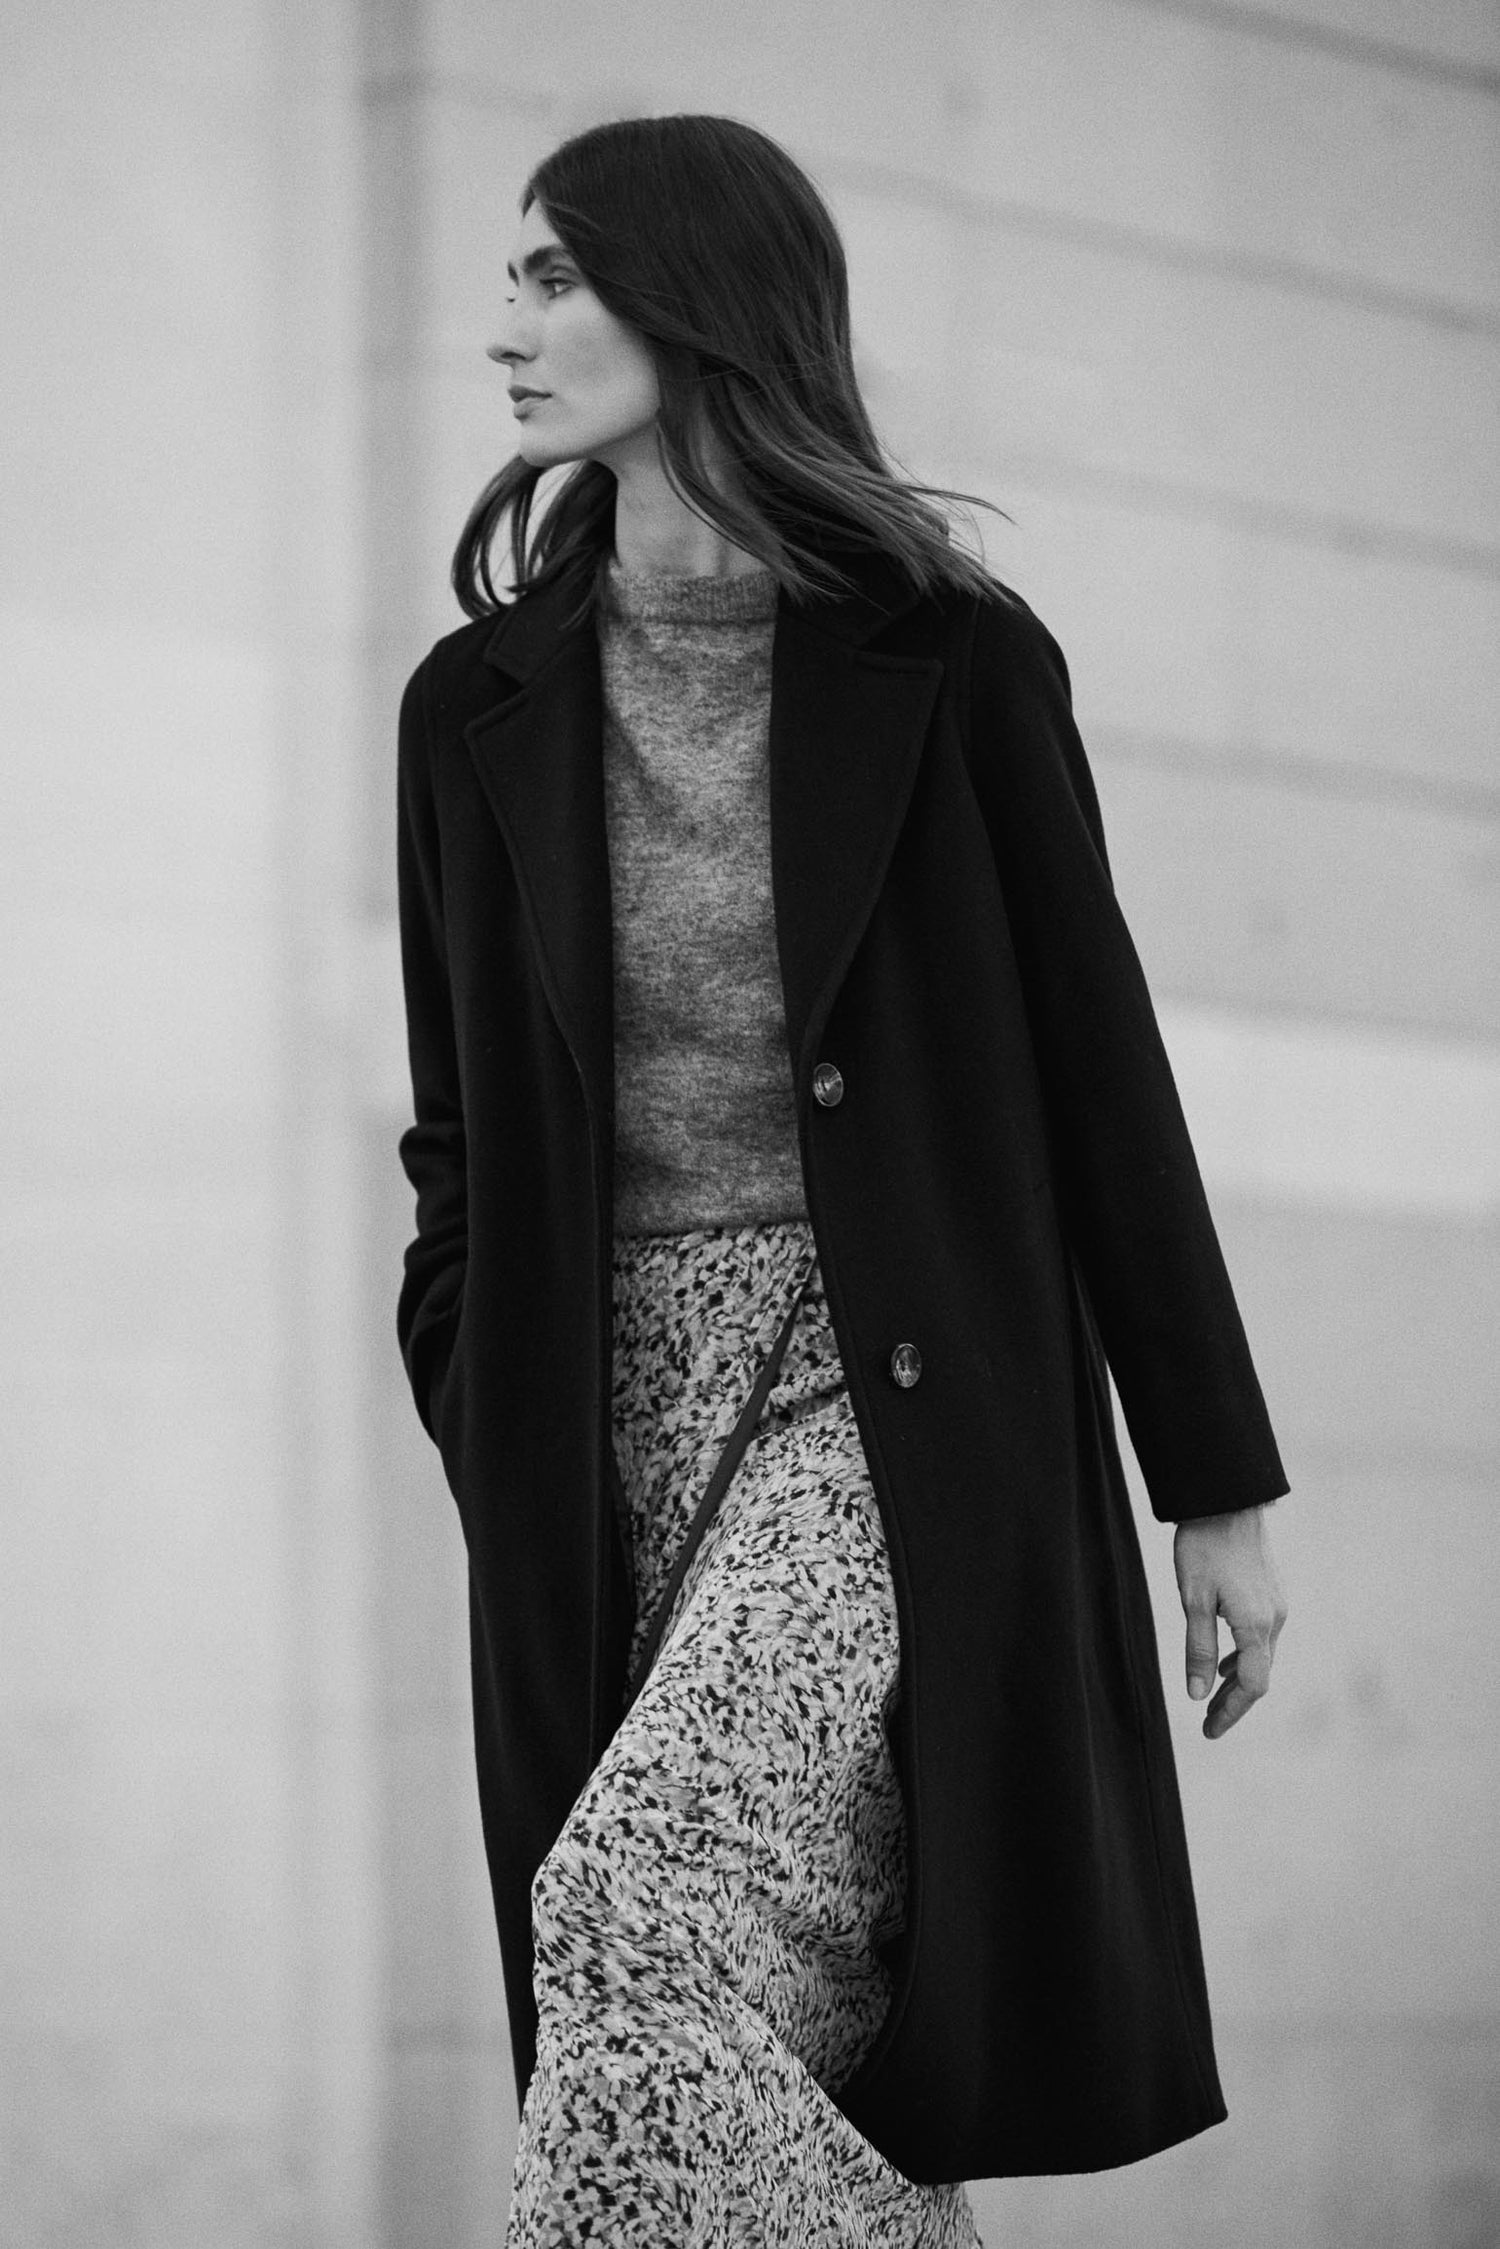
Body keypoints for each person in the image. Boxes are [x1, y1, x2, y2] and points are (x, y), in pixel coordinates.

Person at [394, 111, 1289, 2248]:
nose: (504, 325)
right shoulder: (474, 703)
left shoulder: (955, 660)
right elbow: (457, 1136)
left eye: (552, 275)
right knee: (744, 2008)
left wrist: (1217, 1486)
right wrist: (476, 1387)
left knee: (629, 1905)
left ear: (695, 298)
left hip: (887, 1387)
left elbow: (1102, 1077)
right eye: (513, 278)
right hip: (594, 1409)